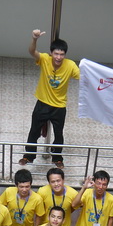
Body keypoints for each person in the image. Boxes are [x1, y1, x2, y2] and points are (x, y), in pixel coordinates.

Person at [19, 31, 80, 169]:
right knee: (34, 131)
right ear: (51, 53)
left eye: (62, 54)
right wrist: (34, 38)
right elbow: (32, 51)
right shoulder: (45, 59)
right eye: (56, 54)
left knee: (59, 134)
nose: (59, 57)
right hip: (42, 103)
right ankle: (29, 156)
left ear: (65, 55)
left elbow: (83, 76)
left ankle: (57, 158)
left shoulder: (70, 65)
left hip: (59, 106)